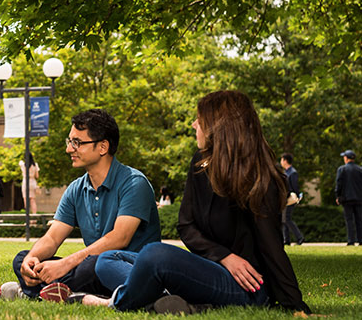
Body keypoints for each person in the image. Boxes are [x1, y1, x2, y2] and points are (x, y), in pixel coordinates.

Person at [84, 90, 310, 314]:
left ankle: (115, 302)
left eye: (200, 120)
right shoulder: (200, 164)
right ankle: (166, 299)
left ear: (218, 127)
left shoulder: (259, 177)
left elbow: (272, 247)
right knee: (107, 259)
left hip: (246, 287)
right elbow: (186, 225)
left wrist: (295, 304)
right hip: (207, 270)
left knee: (155, 255)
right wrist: (224, 256)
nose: (193, 124)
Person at [0, 109, 161, 302]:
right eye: (70, 142)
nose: (69, 149)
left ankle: (37, 293)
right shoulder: (76, 188)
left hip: (124, 269)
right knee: (22, 258)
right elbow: (52, 237)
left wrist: (65, 264)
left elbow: (119, 238)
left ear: (102, 147)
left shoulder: (134, 183)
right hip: (90, 269)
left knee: (95, 264)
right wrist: (31, 260)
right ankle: (70, 295)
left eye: (77, 142)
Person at [336, 149, 362, 246]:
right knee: (359, 220)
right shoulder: (360, 169)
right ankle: (361, 239)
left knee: (349, 220)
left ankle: (351, 240)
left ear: (346, 158)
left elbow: (339, 184)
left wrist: (338, 196)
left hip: (346, 199)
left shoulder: (342, 169)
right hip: (359, 198)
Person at [280, 153, 304, 246]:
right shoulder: (286, 172)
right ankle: (286, 240)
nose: (281, 162)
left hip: (291, 198)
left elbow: (295, 186)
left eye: (282, 160)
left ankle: (300, 238)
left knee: (287, 219)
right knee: (284, 219)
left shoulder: (292, 172)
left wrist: (297, 197)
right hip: (286, 199)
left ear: (285, 160)